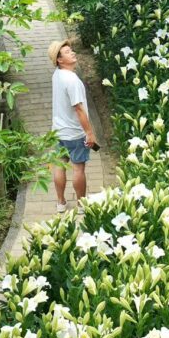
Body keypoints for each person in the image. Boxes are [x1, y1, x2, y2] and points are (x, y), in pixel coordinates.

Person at [47, 39, 97, 214]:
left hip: (58, 131)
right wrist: (89, 133)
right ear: (59, 60)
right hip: (75, 133)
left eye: (71, 50)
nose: (73, 53)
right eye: (67, 52)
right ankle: (81, 204)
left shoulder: (57, 74)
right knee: (78, 168)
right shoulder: (72, 80)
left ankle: (60, 202)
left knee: (60, 164)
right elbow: (79, 109)